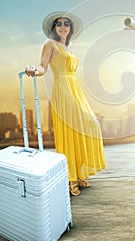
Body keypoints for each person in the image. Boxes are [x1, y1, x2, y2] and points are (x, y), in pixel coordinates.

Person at [25, 11, 106, 196]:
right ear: (54, 28)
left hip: (74, 89)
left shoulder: (67, 47)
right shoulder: (50, 44)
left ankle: (77, 173)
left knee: (88, 126)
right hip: (63, 88)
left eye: (67, 23)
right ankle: (70, 178)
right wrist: (33, 69)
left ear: (70, 29)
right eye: (59, 23)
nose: (63, 26)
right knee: (69, 133)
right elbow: (43, 67)